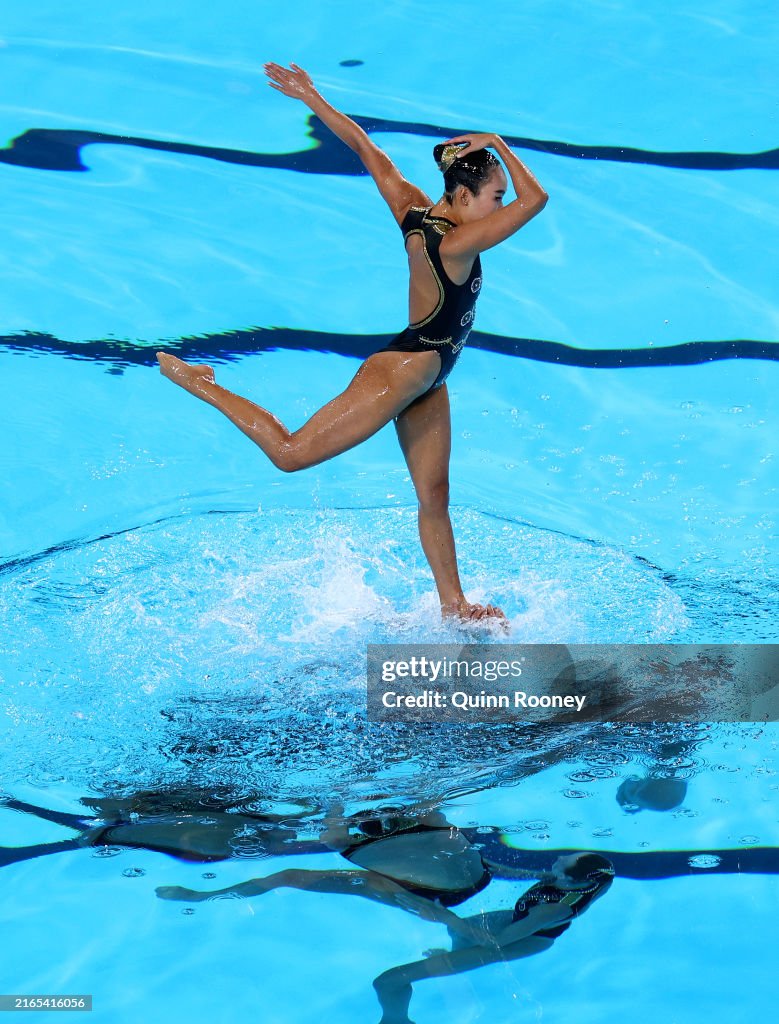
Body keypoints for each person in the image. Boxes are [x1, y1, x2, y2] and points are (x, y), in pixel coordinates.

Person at [156, 62, 548, 625]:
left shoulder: (415, 210)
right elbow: (537, 201)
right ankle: (202, 383)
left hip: (428, 378)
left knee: (434, 497)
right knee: (291, 455)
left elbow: (367, 150)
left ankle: (454, 606)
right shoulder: (459, 243)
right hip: (400, 372)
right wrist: (498, 143)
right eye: (493, 195)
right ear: (463, 195)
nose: (500, 204)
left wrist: (313, 96)